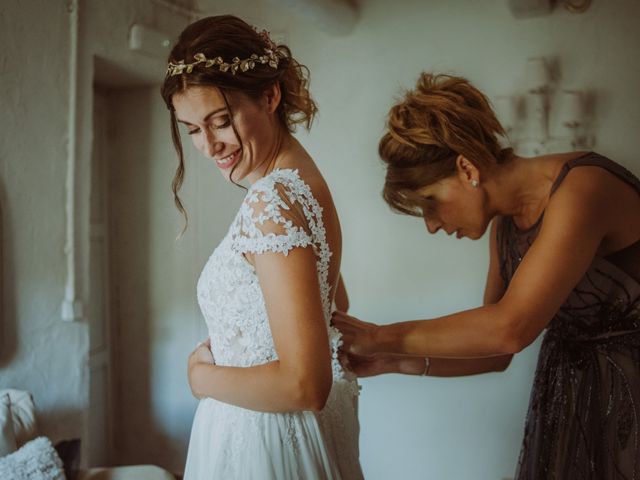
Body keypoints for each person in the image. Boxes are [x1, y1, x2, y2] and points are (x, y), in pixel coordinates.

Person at [333, 73, 640, 479]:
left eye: (430, 203)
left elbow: (510, 328)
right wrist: (393, 361)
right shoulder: (505, 226)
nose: (431, 225)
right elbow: (496, 354)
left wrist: (379, 334)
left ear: (466, 169)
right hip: (569, 401)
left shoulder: (583, 189)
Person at [161, 15, 363, 480]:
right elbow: (336, 305)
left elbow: (305, 384)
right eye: (191, 129)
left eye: (219, 121)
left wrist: (201, 378)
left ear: (270, 96)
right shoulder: (302, 185)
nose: (209, 146)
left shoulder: (272, 202)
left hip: (265, 445)